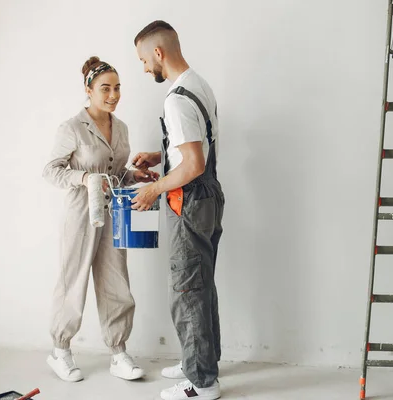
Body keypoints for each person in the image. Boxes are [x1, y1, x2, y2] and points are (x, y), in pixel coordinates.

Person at [42, 56, 157, 382]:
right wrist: (84, 179)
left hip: (115, 212)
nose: (113, 95)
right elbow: (51, 170)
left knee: (116, 281)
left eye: (118, 88)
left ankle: (118, 352)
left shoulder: (121, 127)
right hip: (80, 214)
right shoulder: (72, 128)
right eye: (105, 88)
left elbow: (115, 173)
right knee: (73, 281)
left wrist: (135, 175)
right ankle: (60, 350)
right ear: (88, 90)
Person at [131, 20, 225, 400]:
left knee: (188, 289)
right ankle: (199, 361)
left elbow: (193, 164)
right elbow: (194, 147)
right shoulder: (196, 83)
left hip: (189, 199)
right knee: (200, 285)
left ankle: (201, 382)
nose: (143, 68)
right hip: (207, 197)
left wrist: (154, 187)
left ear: (158, 53)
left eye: (142, 60)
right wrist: (160, 155)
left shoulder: (176, 98)